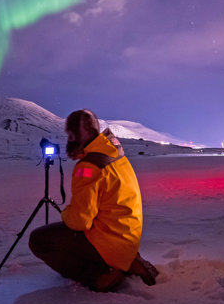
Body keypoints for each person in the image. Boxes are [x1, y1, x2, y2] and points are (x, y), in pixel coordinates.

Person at [29, 109, 159, 292]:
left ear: (75, 134)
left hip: (110, 241)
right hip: (127, 235)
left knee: (38, 240)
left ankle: (102, 274)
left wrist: (66, 214)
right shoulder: (113, 151)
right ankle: (127, 260)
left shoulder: (89, 167)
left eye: (70, 134)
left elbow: (80, 222)